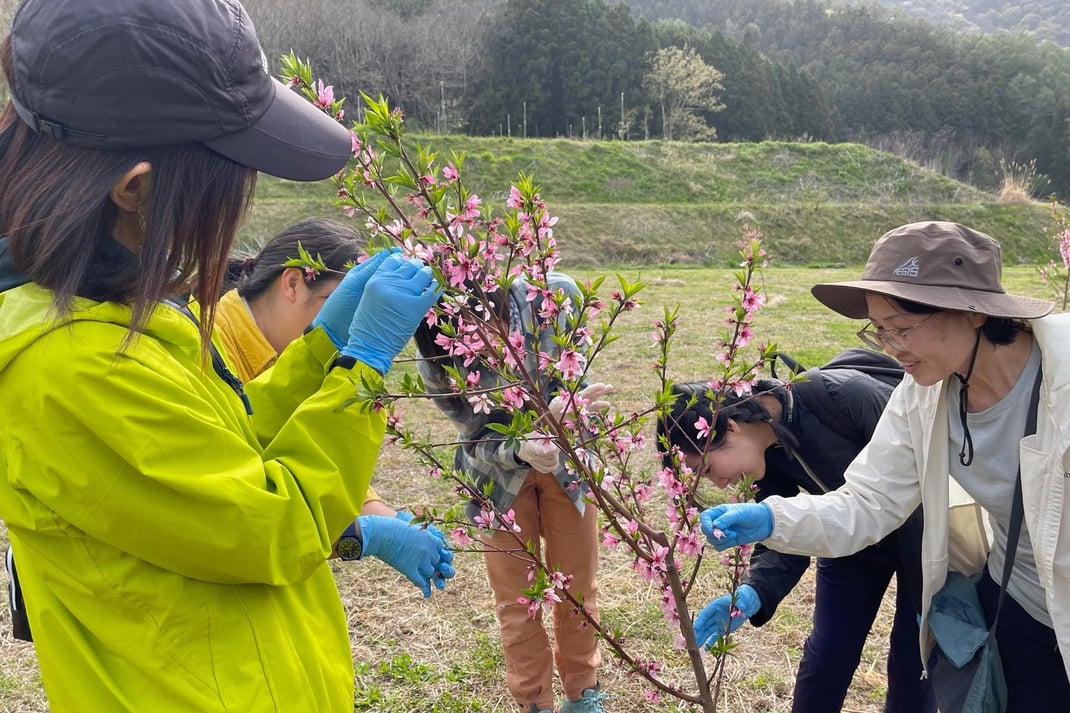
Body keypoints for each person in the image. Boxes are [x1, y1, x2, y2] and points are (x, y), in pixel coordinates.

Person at [0, 1, 441, 711]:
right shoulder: (66, 365)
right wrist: (361, 367)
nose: (234, 211)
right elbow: (269, 520)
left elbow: (218, 448)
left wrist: (322, 346)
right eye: (229, 181)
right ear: (136, 188)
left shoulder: (108, 310)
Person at [701, 221, 1070, 712]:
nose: (891, 346)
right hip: (1017, 601)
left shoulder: (1059, 374)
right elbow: (869, 502)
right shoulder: (922, 396)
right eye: (879, 330)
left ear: (973, 312)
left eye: (902, 327)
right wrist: (774, 519)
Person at [659, 377, 933, 713]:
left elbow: (930, 486)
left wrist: (928, 593)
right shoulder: (763, 456)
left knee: (914, 660)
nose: (719, 482)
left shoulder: (848, 398)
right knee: (828, 654)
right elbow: (789, 530)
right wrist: (754, 592)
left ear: (729, 428)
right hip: (847, 540)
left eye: (708, 468)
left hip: (922, 542)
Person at [217, 217, 454, 597]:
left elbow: (284, 438)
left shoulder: (268, 349)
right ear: (293, 283)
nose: (352, 324)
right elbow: (248, 516)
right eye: (338, 305)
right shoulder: (208, 350)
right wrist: (364, 534)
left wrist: (384, 517)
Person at [413, 274, 612, 713]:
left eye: (483, 321)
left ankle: (583, 694)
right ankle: (533, 703)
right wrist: (518, 448)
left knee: (578, 589)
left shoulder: (554, 295)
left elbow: (576, 377)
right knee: (519, 603)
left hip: (568, 465)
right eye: (458, 333)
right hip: (496, 479)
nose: (478, 341)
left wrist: (567, 413)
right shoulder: (433, 357)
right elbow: (470, 431)